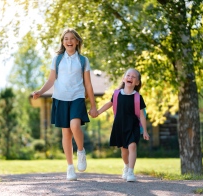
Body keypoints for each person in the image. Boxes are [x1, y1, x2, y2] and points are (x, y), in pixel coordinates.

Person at [32, 28, 98, 181]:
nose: (69, 41)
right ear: (62, 42)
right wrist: (40, 92)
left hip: (77, 97)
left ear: (77, 42)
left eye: (72, 38)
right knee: (66, 133)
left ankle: (80, 151)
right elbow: (51, 80)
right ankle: (70, 167)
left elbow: (88, 84)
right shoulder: (57, 59)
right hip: (60, 98)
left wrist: (93, 106)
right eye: (66, 39)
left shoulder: (83, 60)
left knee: (75, 126)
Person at [96, 68, 149, 182]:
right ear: (124, 78)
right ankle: (126, 166)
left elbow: (142, 115)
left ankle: (131, 171)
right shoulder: (116, 94)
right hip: (120, 126)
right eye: (128, 75)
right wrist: (98, 112)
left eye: (133, 77)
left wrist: (145, 130)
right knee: (124, 152)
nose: (130, 77)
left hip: (133, 126)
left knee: (132, 146)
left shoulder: (137, 97)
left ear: (137, 82)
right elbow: (109, 104)